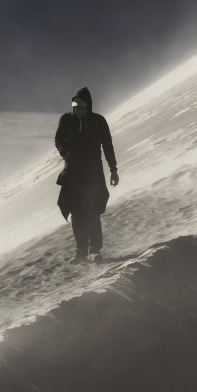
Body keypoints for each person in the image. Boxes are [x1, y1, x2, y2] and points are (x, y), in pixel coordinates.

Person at [55, 87, 118, 263]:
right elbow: (58, 139)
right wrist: (65, 153)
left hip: (92, 174)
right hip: (72, 174)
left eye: (81, 104)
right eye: (74, 104)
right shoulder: (66, 120)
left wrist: (113, 169)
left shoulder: (98, 121)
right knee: (76, 214)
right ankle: (80, 251)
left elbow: (107, 146)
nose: (77, 107)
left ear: (88, 105)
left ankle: (95, 250)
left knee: (91, 212)